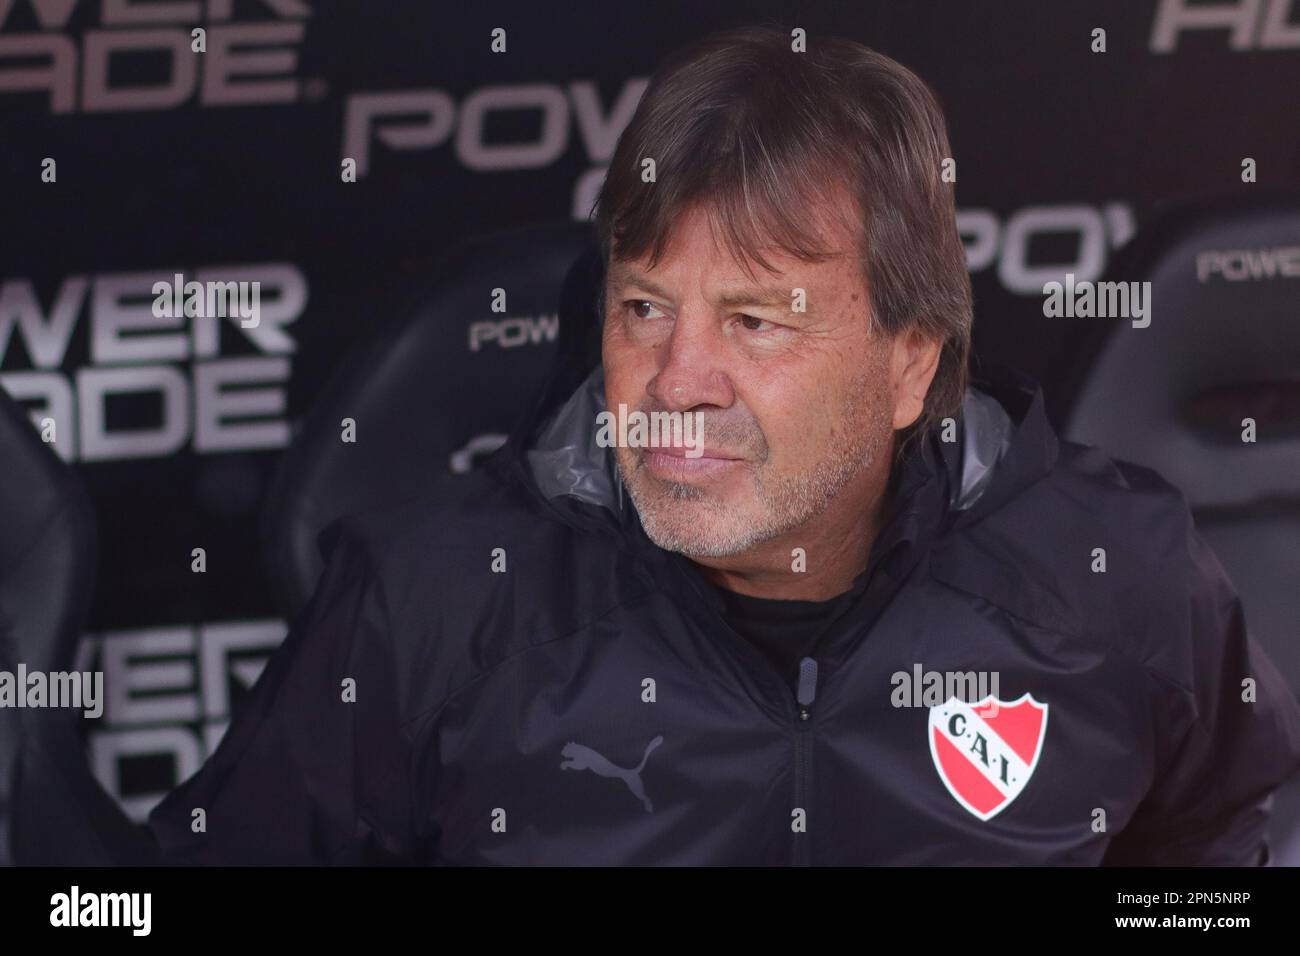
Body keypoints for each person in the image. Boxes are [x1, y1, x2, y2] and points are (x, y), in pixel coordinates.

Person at [136, 24, 1299, 865]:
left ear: (907, 363)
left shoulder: (1114, 571)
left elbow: (1219, 832)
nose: (675, 383)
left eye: (756, 319)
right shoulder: (436, 598)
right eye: (643, 308)